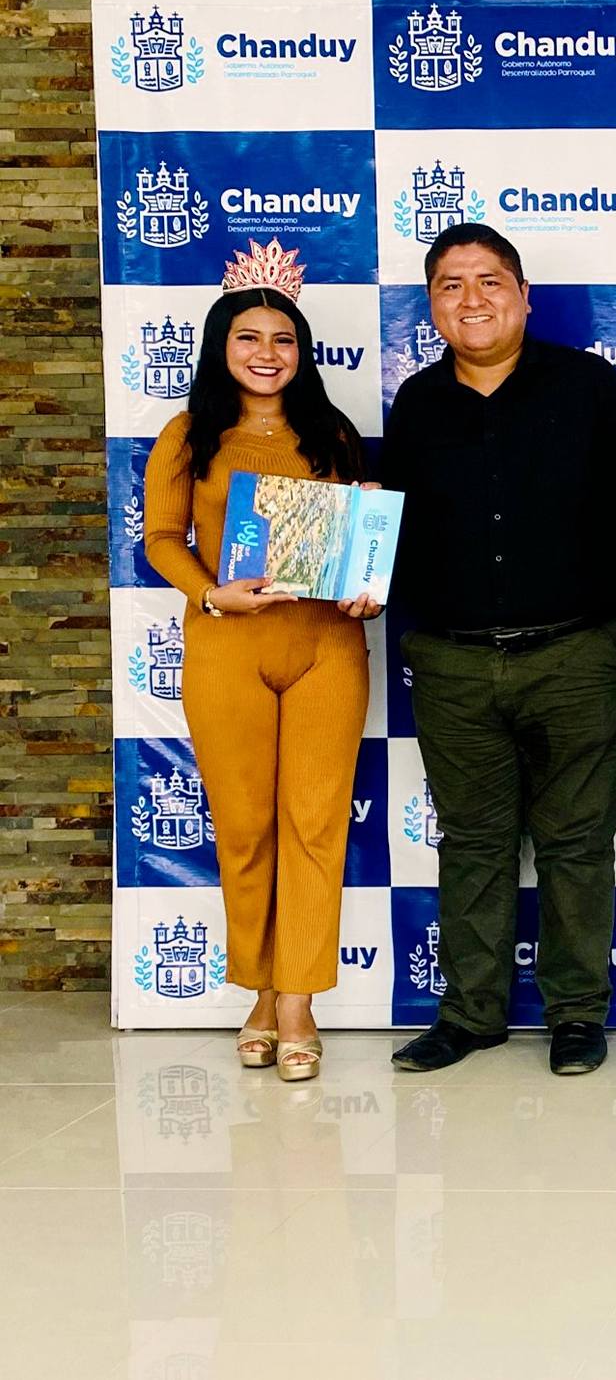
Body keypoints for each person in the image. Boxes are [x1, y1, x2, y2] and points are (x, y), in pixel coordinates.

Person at [381, 223, 616, 1078]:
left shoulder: (588, 386)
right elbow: (392, 527)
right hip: (453, 661)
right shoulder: (418, 404)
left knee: (577, 843)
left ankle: (577, 1015)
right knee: (472, 843)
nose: (471, 298)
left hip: (579, 653)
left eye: (489, 281)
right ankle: (469, 1015)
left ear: (523, 295)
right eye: (451, 285)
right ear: (432, 305)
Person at [142, 239, 378, 1084]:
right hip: (227, 648)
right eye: (249, 337)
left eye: (284, 339)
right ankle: (259, 988)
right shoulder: (188, 435)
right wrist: (211, 594)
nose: (267, 353)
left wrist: (367, 587)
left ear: (303, 352)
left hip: (325, 650)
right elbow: (161, 539)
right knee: (245, 829)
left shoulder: (333, 434)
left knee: (315, 825)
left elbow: (358, 547)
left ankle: (297, 1002)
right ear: (221, 347)